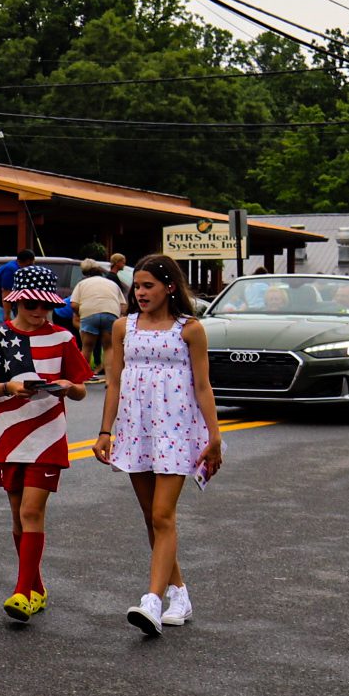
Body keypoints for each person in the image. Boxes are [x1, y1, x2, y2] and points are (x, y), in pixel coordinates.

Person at [96, 253, 222, 637]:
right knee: (152, 516)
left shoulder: (190, 329)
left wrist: (214, 436)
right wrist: (105, 431)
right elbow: (114, 382)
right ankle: (179, 593)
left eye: (148, 285)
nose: (140, 292)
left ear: (169, 287)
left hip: (176, 431)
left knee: (163, 516)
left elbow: (203, 386)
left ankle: (152, 600)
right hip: (136, 430)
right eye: (137, 286)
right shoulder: (123, 327)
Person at [0, 265, 93, 624]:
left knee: (31, 512)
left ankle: (22, 592)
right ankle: (36, 587)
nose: (39, 313)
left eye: (46, 306)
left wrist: (68, 387)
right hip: (8, 435)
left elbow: (82, 388)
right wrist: (9, 387)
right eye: (31, 306)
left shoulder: (63, 339)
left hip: (48, 436)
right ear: (15, 302)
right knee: (17, 515)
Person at [70, 258, 126, 369]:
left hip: (89, 314)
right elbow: (123, 305)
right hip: (110, 313)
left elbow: (74, 304)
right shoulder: (112, 283)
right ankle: (109, 377)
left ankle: (83, 376)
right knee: (109, 348)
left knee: (87, 348)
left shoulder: (82, 284)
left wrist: (80, 314)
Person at [0, 249, 32, 328]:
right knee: (2, 329)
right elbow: (6, 292)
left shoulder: (18, 268)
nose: (30, 267)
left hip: (3, 304)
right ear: (22, 262)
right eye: (29, 264)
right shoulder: (11, 270)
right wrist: (7, 314)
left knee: (13, 328)